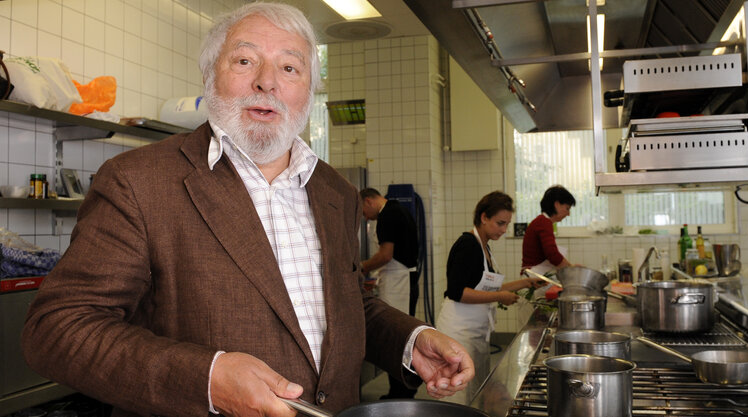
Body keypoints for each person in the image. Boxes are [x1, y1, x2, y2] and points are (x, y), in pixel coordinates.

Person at [20, 3, 474, 417]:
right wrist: (207, 379)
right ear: (208, 76)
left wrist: (410, 340)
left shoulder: (334, 191)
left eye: (290, 67)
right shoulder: (138, 181)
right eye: (244, 60)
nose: (267, 81)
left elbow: (347, 304)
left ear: (309, 91)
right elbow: (58, 329)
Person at [435, 191, 546, 405]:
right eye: (500, 223)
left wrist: (525, 283)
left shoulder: (484, 246)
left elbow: (485, 288)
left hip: (476, 331)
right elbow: (458, 292)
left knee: (475, 391)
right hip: (459, 330)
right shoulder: (467, 246)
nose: (504, 230)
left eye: (507, 224)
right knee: (458, 394)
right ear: (484, 217)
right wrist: (500, 296)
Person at [359, 187, 421, 399]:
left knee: (395, 336)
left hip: (399, 282)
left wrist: (361, 267)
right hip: (405, 279)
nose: (364, 217)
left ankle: (400, 393)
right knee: (401, 333)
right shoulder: (399, 210)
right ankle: (399, 390)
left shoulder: (387, 216)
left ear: (369, 201)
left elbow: (385, 255)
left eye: (363, 211)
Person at [521, 185, 576, 276]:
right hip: (533, 276)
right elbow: (553, 255)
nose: (568, 214)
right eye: (567, 208)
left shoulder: (543, 221)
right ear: (557, 204)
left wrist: (571, 267)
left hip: (534, 274)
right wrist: (572, 269)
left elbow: (552, 253)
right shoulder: (543, 223)